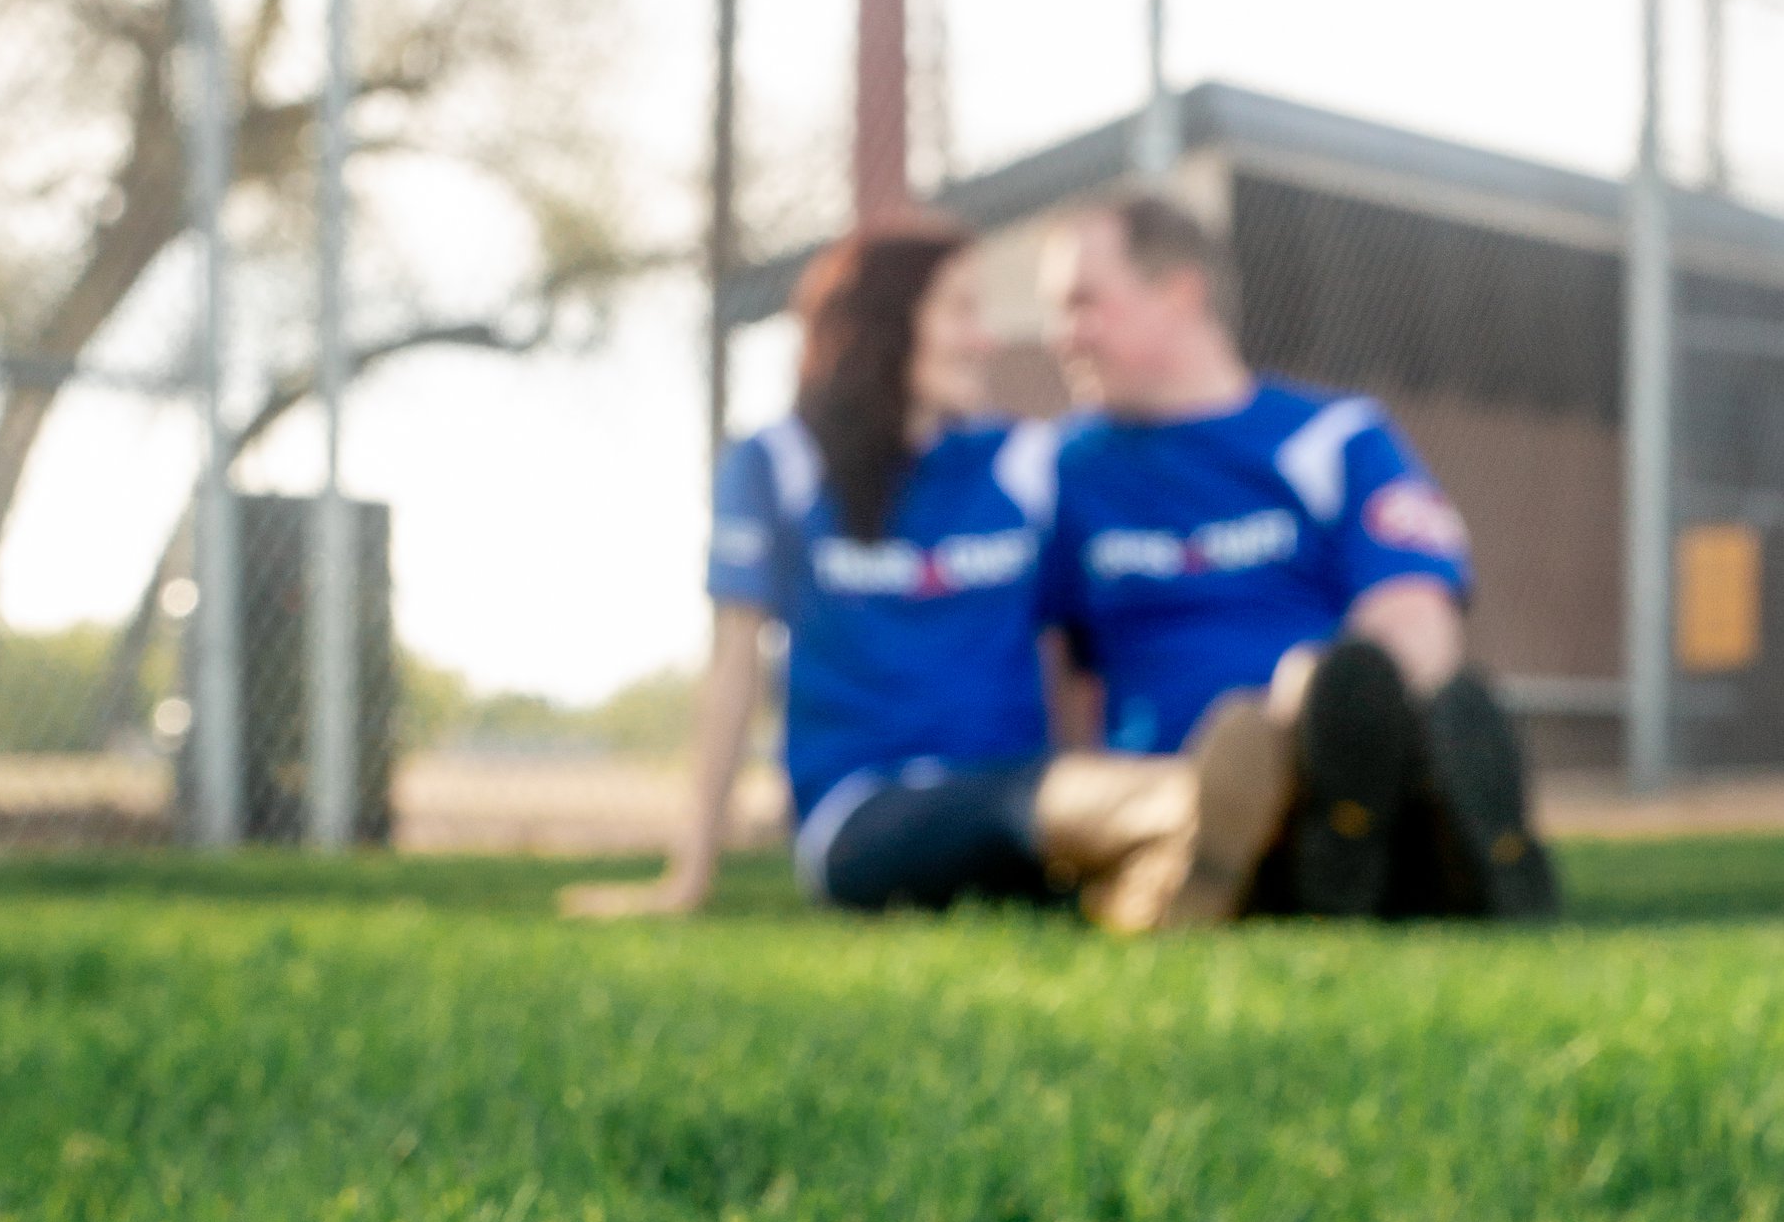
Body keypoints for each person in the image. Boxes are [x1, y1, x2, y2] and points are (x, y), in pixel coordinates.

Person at [562, 217, 1205, 924]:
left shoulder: (1025, 462)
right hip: (863, 818)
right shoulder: (777, 466)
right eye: (960, 310)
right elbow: (733, 672)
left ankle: (1177, 862)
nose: (983, 339)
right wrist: (688, 877)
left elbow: (1079, 648)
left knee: (1039, 818)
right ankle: (1187, 806)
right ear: (885, 322)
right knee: (1020, 805)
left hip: (1039, 799)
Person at [1037, 190, 1558, 924]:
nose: (1064, 335)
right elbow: (1060, 676)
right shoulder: (1062, 471)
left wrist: (1291, 734)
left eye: (1084, 302)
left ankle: (1373, 843)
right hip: (1166, 796)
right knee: (1193, 806)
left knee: (1354, 697)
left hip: (1330, 773)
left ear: (1178, 293)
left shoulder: (1334, 439)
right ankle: (1422, 871)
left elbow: (1415, 627)